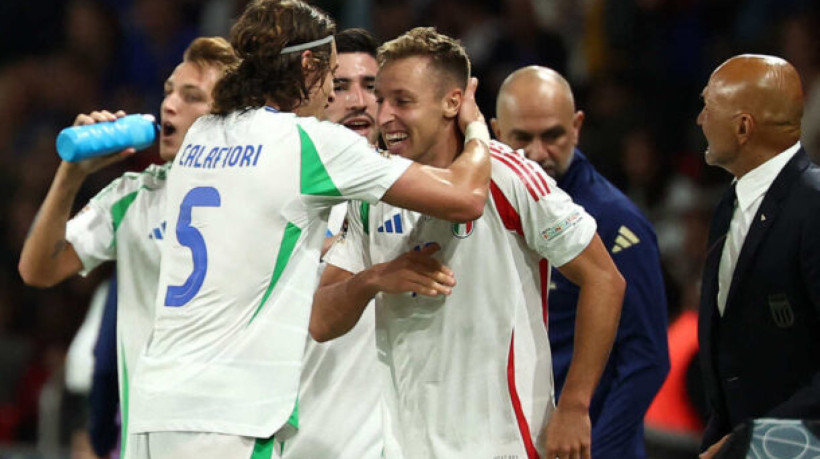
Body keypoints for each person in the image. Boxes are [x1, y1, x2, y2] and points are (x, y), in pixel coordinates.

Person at [126, 1, 492, 457]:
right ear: (307, 65)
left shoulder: (202, 136)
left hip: (157, 403)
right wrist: (476, 128)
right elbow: (466, 197)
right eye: (332, 78)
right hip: (231, 415)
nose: (331, 97)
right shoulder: (307, 143)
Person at [311, 27, 625, 459]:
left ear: (452, 102)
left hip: (506, 444)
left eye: (402, 101)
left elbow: (604, 280)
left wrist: (574, 404)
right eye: (381, 99)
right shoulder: (374, 193)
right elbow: (321, 320)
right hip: (407, 446)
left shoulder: (510, 176)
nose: (383, 116)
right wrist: (377, 278)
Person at [17, 36, 239, 456]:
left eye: (192, 97)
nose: (169, 105)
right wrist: (70, 175)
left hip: (232, 436)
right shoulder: (133, 196)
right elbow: (37, 270)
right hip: (146, 439)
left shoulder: (265, 193)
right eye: (169, 92)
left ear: (231, 116)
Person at [492, 65, 670, 458]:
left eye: (553, 135)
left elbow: (646, 361)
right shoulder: (479, 209)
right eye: (523, 138)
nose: (538, 153)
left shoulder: (615, 222)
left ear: (577, 126)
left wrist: (596, 447)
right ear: (497, 133)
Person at [696, 54, 820, 458]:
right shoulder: (728, 204)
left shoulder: (814, 206)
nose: (699, 120)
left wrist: (754, 441)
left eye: (707, 107)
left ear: (743, 126)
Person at [279, 28, 384, 459]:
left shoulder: (411, 200)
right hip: (298, 441)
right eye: (340, 86)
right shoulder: (278, 194)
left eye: (371, 87)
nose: (358, 101)